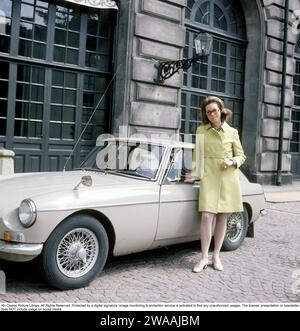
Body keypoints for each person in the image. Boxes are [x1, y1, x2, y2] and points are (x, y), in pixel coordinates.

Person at [191, 96, 246, 273]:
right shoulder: (201, 130)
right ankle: (204, 257)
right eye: (208, 112)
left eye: (214, 110)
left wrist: (231, 162)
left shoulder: (232, 132)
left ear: (221, 111)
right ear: (205, 115)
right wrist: (193, 176)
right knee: (207, 216)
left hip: (227, 178)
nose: (212, 114)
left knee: (222, 216)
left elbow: (241, 156)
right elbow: (196, 157)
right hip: (209, 177)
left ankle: (216, 256)